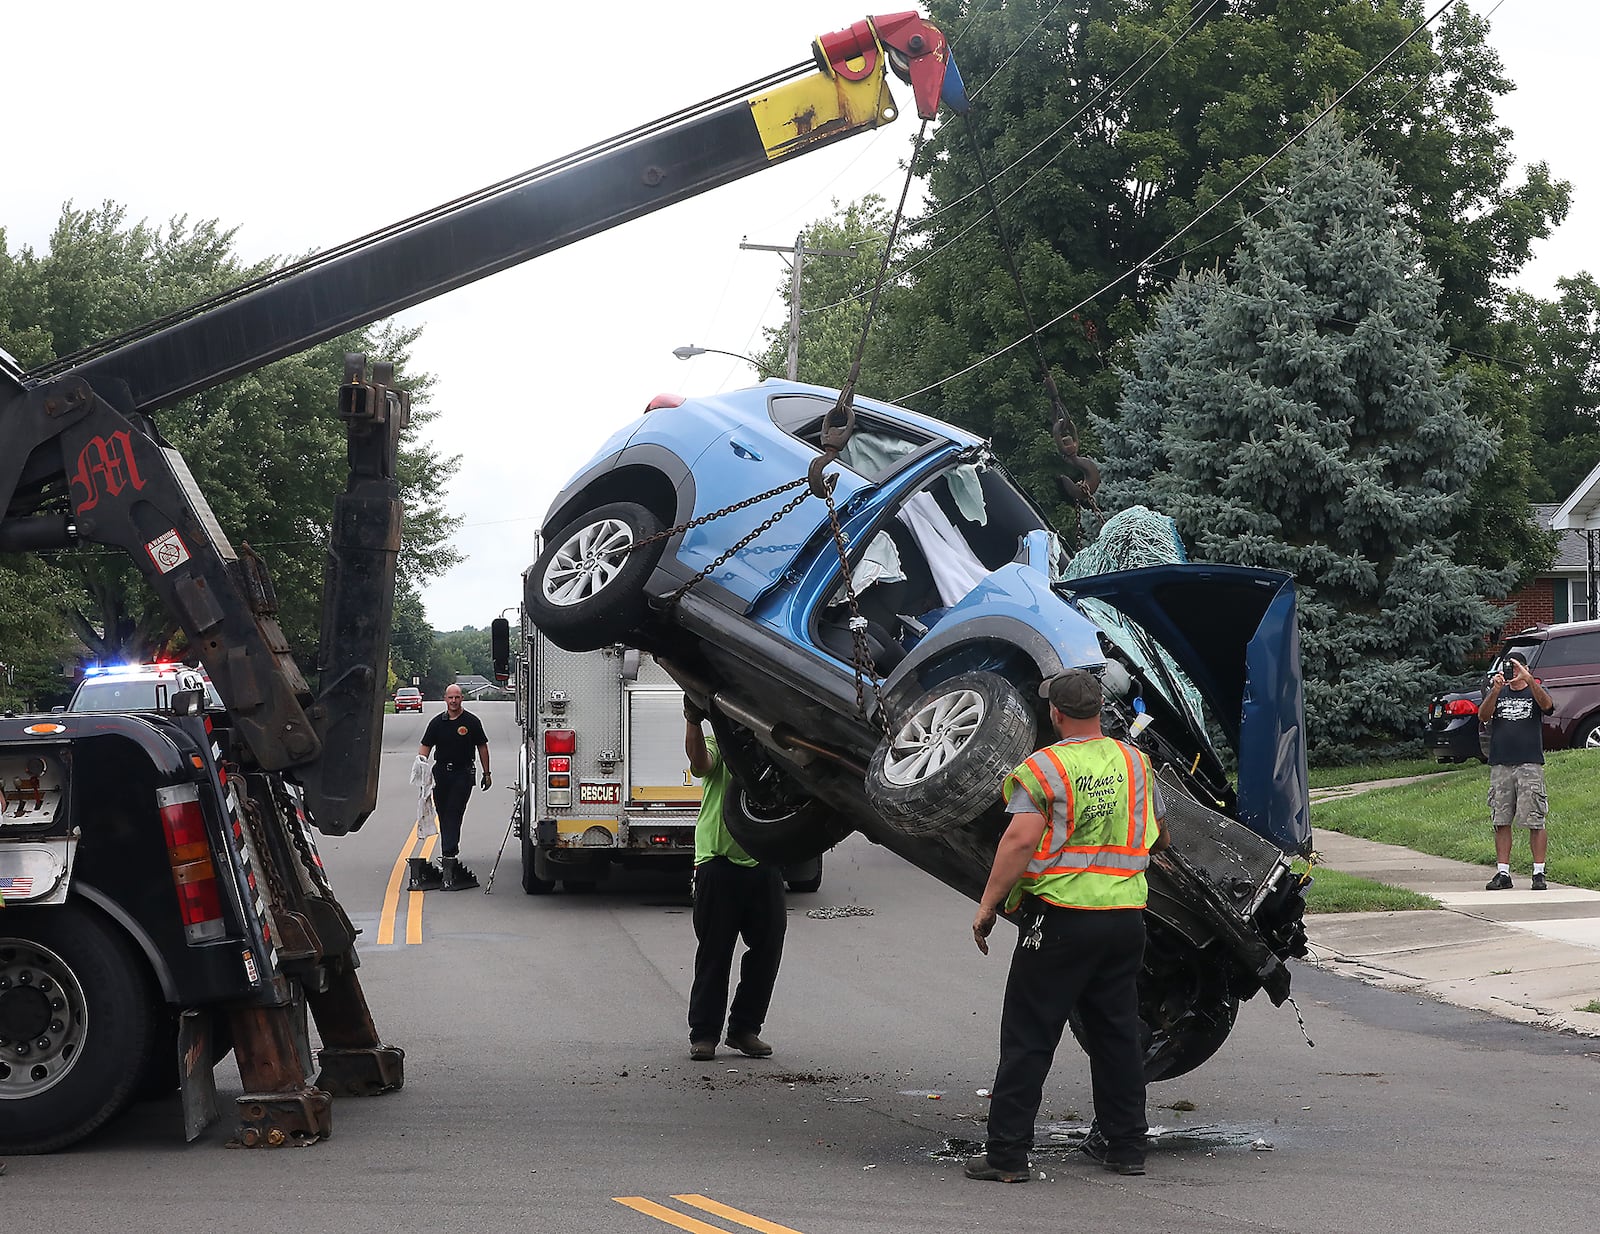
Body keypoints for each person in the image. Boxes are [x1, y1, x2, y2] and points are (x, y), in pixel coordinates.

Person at [965, 669, 1169, 1183]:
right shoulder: (1133, 760)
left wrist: (988, 906)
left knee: (1029, 1036)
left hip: (1062, 922)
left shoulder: (1046, 768)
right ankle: (1126, 1148)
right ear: (1099, 710)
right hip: (1124, 921)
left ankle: (1007, 1156)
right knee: (1117, 1035)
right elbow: (1159, 837)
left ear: (1055, 714)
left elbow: (1018, 842)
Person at [684, 701, 786, 1062]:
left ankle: (744, 1029)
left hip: (763, 860)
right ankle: (704, 1034)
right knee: (714, 951)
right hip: (718, 860)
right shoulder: (719, 745)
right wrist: (693, 722)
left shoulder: (774, 752)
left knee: (768, 947)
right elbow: (700, 763)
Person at [1479, 651, 1555, 891]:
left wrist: (1530, 680)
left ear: (1524, 666)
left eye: (1516, 667)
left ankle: (1538, 873)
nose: (1512, 671)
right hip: (1501, 763)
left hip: (1529, 764)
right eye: (1508, 667)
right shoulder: (1497, 691)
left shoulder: (1535, 691)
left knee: (1535, 820)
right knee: (1501, 820)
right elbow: (1483, 716)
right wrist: (1494, 689)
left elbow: (1548, 706)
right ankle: (1503, 873)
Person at [414, 684, 491, 890]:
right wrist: (421, 764)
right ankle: (448, 852)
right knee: (442, 811)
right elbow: (425, 746)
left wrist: (487, 773)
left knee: (454, 812)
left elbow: (482, 746)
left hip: (462, 773)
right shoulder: (437, 723)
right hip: (441, 773)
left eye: (457, 697)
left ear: (462, 699)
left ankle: (449, 853)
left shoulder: (471, 722)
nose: (454, 701)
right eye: (450, 698)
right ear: (445, 699)